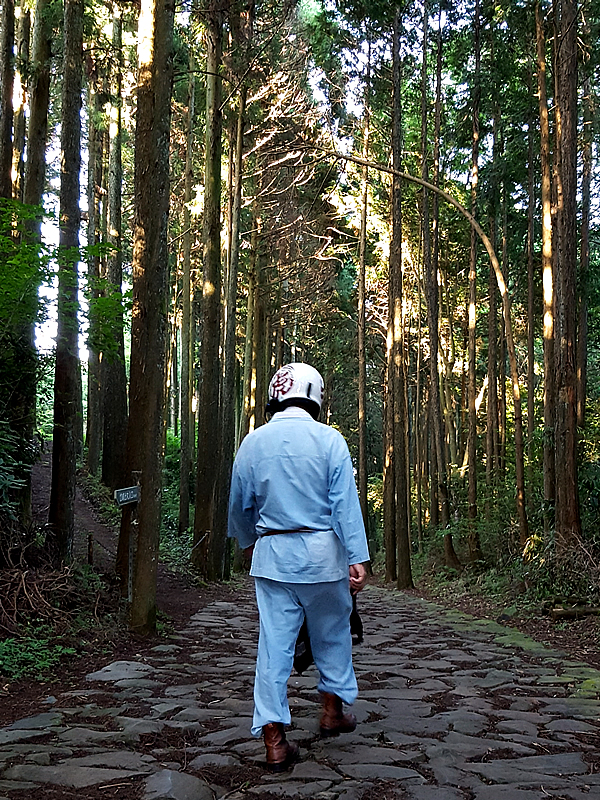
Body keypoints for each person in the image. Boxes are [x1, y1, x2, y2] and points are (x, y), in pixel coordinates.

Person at [227, 362, 370, 772]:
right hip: (325, 558)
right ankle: (332, 711)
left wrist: (249, 541)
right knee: (332, 635)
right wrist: (357, 557)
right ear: (315, 396)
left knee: (273, 648)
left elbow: (239, 504)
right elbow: (345, 503)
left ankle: (274, 741)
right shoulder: (330, 440)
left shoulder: (253, 443)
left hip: (274, 558)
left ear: (276, 395)